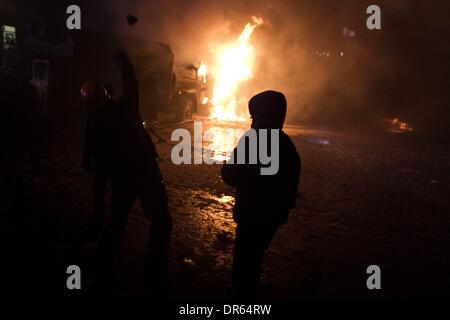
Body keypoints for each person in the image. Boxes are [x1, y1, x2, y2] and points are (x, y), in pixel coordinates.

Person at [80, 50, 172, 292]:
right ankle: (153, 280)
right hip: (145, 175)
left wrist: (94, 170)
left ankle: (102, 269)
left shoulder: (94, 122)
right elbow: (132, 84)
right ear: (106, 95)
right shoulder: (125, 110)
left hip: (122, 179)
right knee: (162, 222)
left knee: (116, 222)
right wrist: (124, 63)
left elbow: (91, 159)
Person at [221, 90, 301, 298]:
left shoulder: (253, 139)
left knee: (245, 258)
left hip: (252, 214)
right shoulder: (286, 143)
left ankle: (241, 298)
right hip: (273, 216)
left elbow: (231, 175)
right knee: (255, 255)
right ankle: (247, 292)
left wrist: (227, 167)